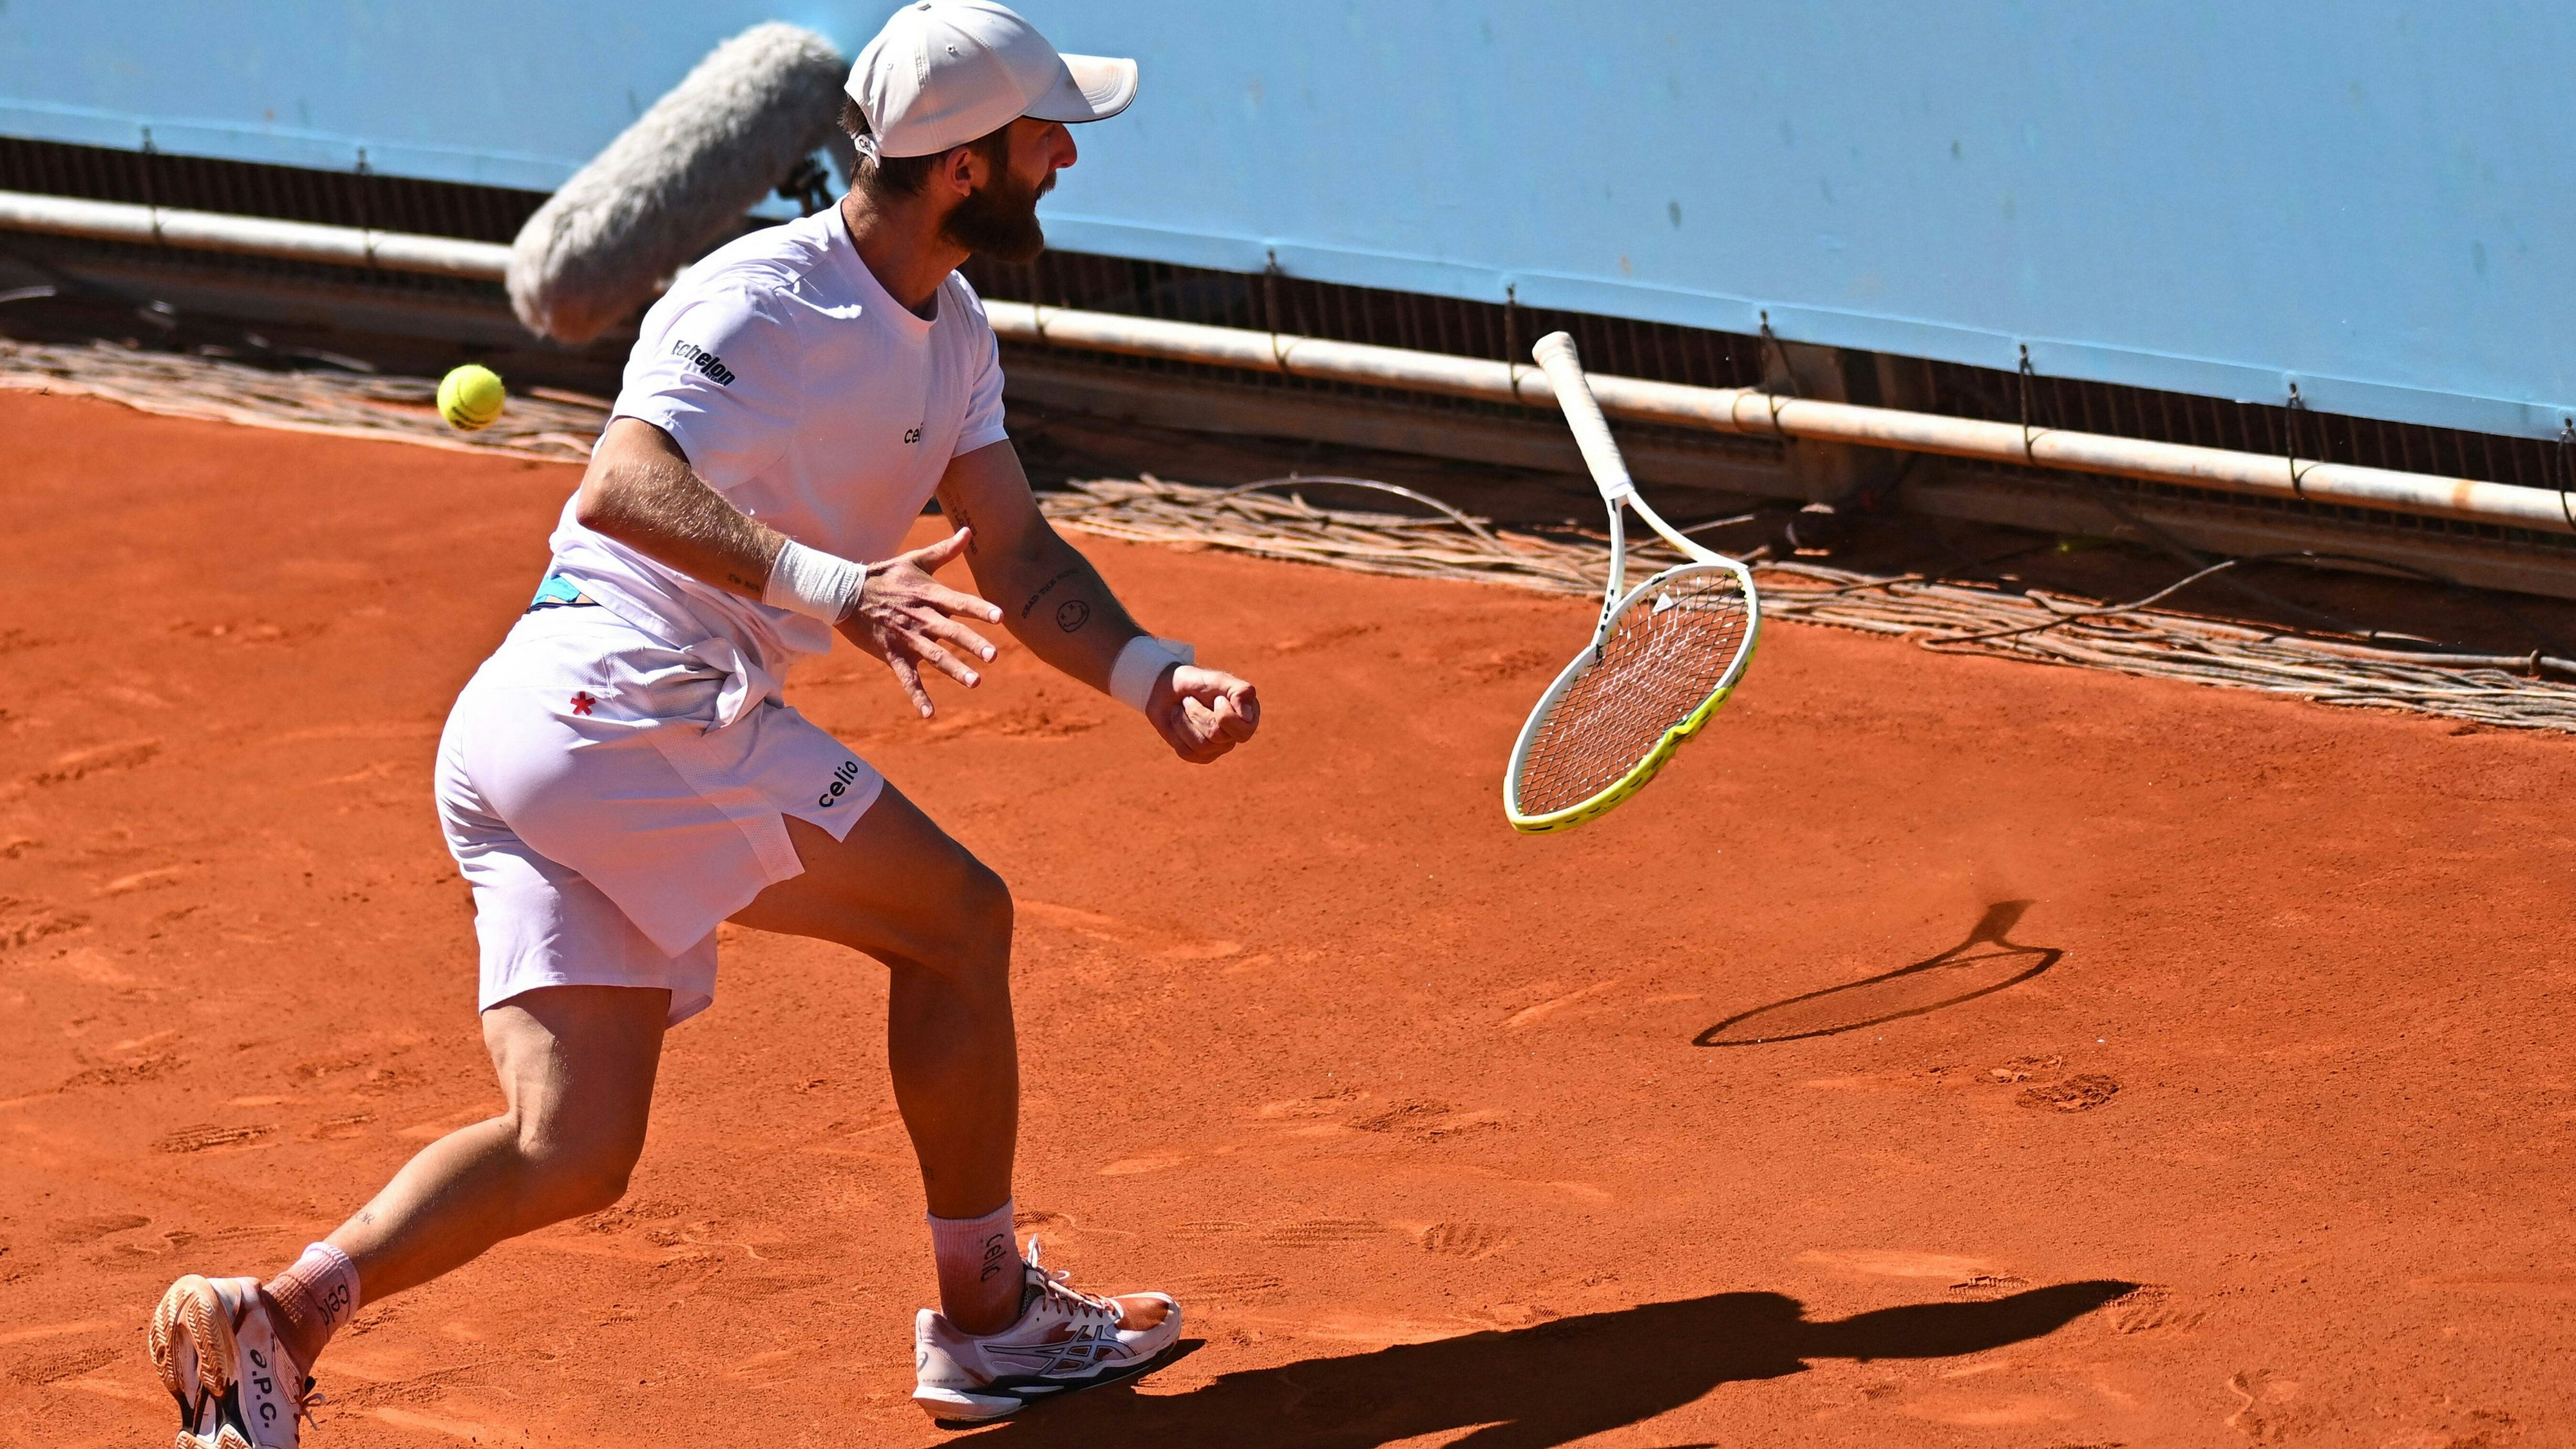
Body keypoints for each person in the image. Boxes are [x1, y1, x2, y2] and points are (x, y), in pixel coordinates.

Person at [147, 3, 1259, 1440]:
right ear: (965, 167)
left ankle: (275, 1320)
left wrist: (1151, 672)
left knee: (572, 1147)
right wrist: (830, 586)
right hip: (627, 697)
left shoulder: (955, 331)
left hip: (548, 727)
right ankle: (987, 1325)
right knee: (957, 920)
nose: (1065, 154)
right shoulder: (766, 293)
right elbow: (619, 481)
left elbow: (1016, 552)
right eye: (1044, 132)